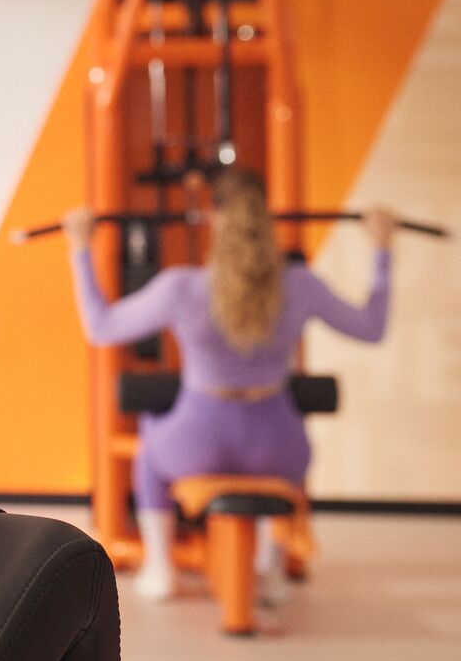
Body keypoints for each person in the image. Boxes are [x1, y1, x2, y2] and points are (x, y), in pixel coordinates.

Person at [62, 169, 395, 604]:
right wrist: (382, 250)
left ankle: (161, 569)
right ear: (268, 218)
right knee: (295, 452)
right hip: (278, 448)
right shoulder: (300, 285)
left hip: (197, 443)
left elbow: (101, 327)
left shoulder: (181, 287)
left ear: (214, 217)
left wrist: (80, 250)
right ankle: (273, 568)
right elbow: (371, 328)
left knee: (149, 447)